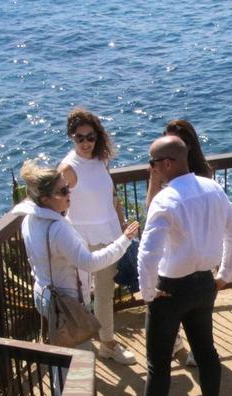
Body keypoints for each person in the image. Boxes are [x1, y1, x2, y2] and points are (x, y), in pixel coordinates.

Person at [111, 136, 232, 396]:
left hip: (169, 290)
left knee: (158, 364)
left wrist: (147, 293)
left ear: (167, 163)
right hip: (204, 284)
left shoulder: (165, 199)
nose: (152, 170)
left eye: (153, 164)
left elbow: (147, 254)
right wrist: (225, 274)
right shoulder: (212, 188)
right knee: (206, 351)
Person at [13, 161, 138, 396]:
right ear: (44, 199)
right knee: (78, 362)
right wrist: (124, 240)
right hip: (67, 305)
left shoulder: (30, 221)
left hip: (45, 295)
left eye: (68, 188)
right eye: (62, 191)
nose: (69, 194)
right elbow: (90, 262)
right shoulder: (58, 229)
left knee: (61, 357)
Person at [58, 108, 138, 365]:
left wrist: (122, 225)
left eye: (90, 137)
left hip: (109, 234)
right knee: (79, 295)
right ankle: (84, 346)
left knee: (104, 292)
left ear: (98, 136)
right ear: (72, 138)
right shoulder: (68, 168)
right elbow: (57, 204)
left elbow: (112, 196)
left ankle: (107, 344)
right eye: (79, 138)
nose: (85, 143)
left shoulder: (101, 160)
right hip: (80, 238)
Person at [145, 118, 213, 368]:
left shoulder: (203, 173)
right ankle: (177, 348)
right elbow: (151, 205)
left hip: (197, 249)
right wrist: (153, 178)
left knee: (195, 310)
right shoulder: (161, 169)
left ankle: (196, 349)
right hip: (169, 247)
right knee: (169, 302)